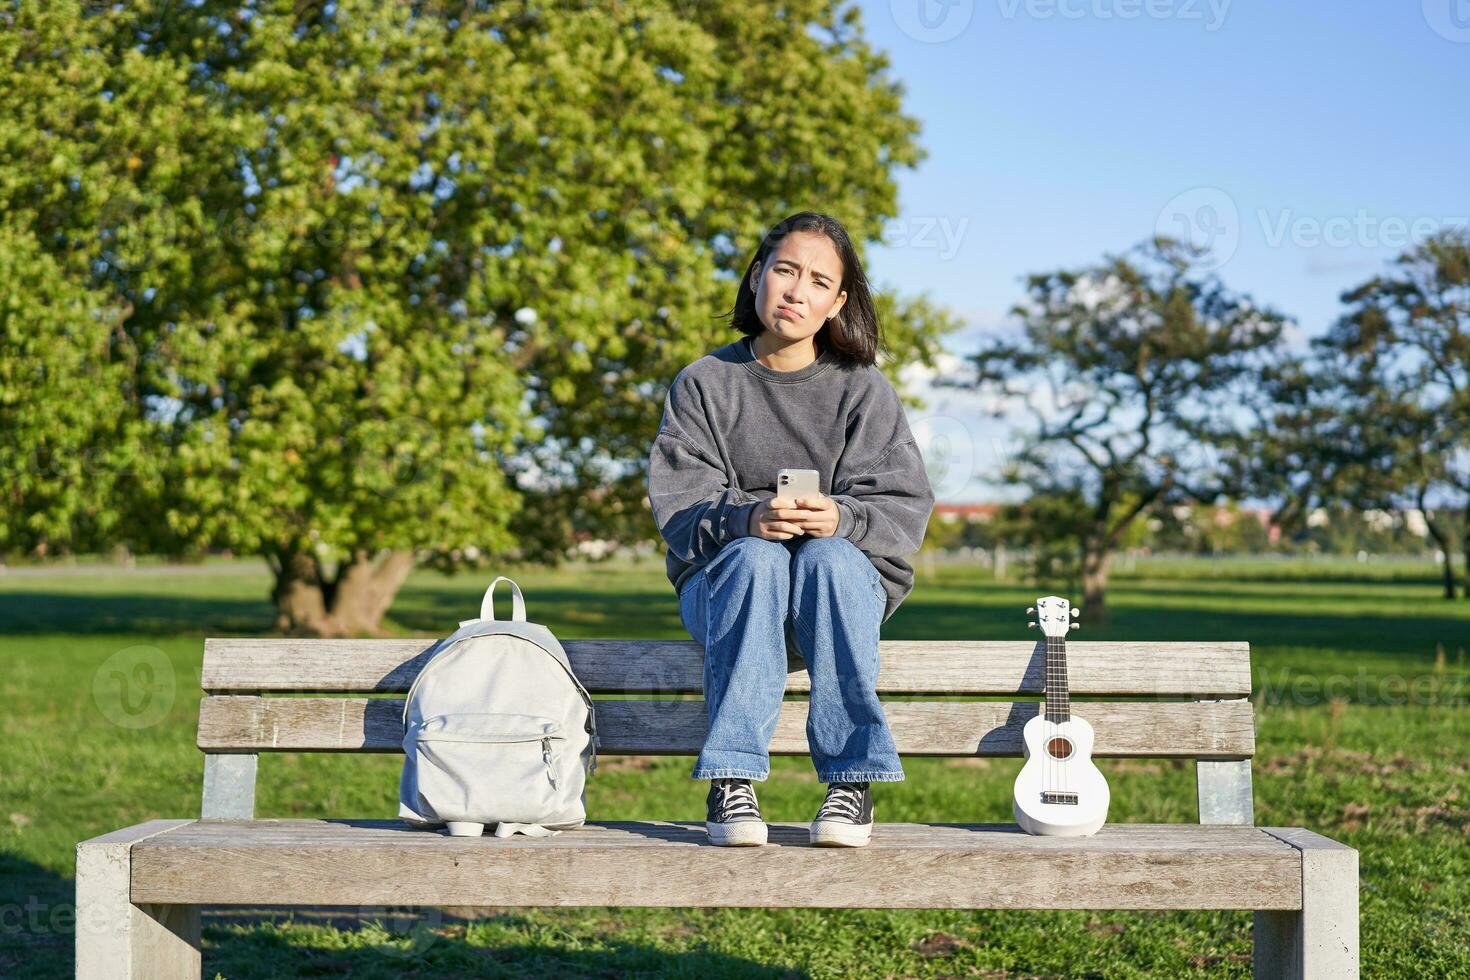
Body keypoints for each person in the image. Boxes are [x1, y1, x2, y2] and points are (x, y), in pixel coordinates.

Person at [645, 211, 936, 848]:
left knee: (827, 559)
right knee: (756, 558)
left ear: (837, 303)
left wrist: (841, 517)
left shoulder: (864, 391)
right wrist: (748, 519)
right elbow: (679, 504)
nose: (797, 290)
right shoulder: (704, 383)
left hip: (837, 599)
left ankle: (850, 784)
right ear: (757, 278)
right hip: (731, 597)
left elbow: (904, 504)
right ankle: (731, 780)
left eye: (818, 281)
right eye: (785, 270)